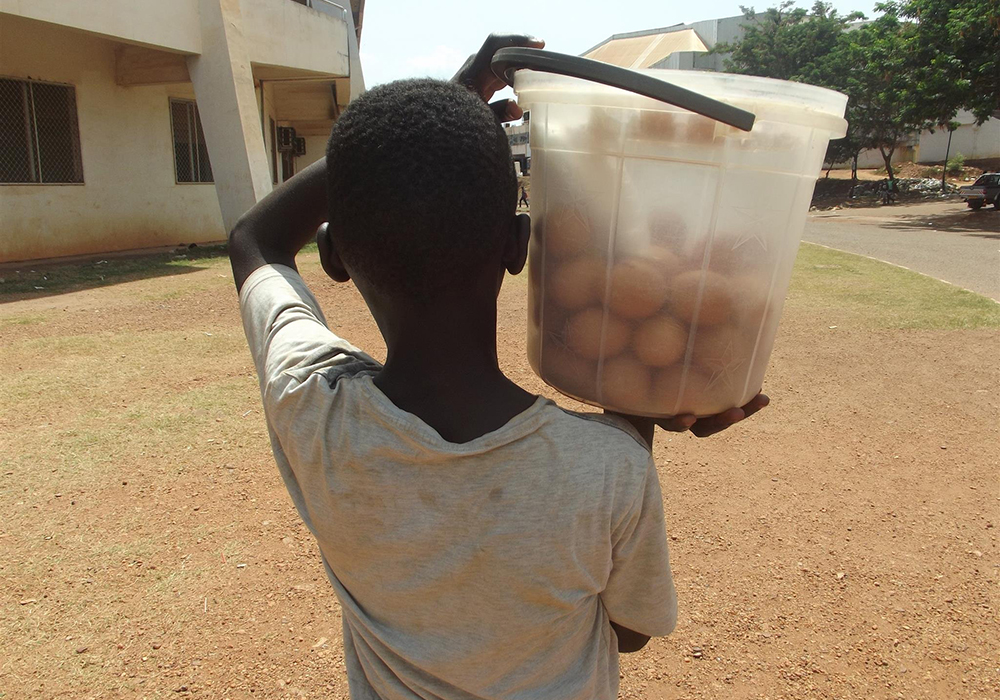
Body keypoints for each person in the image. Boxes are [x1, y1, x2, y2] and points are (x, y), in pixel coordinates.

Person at [228, 34, 768, 700]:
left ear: (335, 257)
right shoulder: (607, 469)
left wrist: (442, 107)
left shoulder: (312, 410)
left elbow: (254, 240)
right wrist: (641, 404)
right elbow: (629, 632)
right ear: (519, 247)